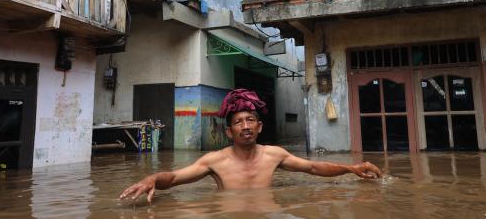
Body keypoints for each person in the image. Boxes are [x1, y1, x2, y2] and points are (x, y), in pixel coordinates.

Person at [120, 89, 383, 204]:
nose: (245, 126)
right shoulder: (215, 160)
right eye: (238, 122)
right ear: (229, 130)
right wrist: (151, 178)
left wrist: (351, 168)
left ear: (259, 127)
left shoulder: (274, 155)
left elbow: (314, 167)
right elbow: (175, 177)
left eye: (250, 120)